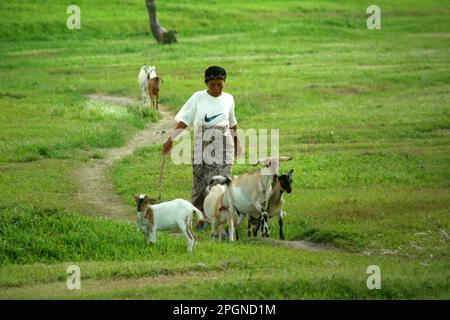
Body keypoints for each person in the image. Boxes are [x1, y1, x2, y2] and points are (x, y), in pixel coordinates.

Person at [162, 66, 241, 230]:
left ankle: (220, 222)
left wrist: (237, 143)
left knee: (221, 182)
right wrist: (171, 139)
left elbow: (232, 123)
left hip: (224, 143)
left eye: (220, 84)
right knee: (199, 182)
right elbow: (185, 120)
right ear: (206, 83)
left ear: (224, 82)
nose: (216, 88)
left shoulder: (229, 99)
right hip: (202, 142)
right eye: (212, 84)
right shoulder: (198, 98)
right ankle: (200, 218)